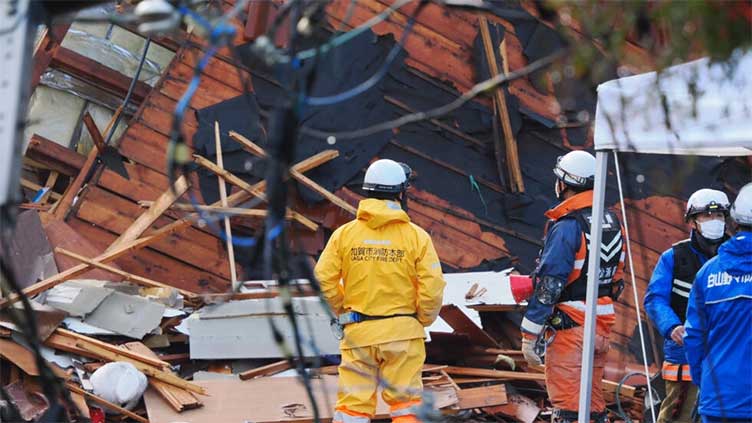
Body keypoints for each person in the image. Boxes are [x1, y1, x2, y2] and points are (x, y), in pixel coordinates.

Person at [315, 159, 446, 423]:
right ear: (400, 192)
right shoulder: (417, 237)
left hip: (358, 334)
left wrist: (343, 311)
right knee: (407, 407)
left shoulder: (345, 235)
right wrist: (421, 319)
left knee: (353, 408)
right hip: (403, 335)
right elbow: (432, 287)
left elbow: (323, 279)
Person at [520, 151, 626, 423]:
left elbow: (550, 284)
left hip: (571, 328)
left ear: (565, 184)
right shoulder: (613, 223)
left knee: (569, 407)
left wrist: (530, 334)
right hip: (602, 322)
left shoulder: (568, 226)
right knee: (591, 405)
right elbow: (617, 278)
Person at [644, 188, 730, 423]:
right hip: (684, 353)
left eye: (720, 216)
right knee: (677, 414)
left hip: (727, 352)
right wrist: (671, 326)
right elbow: (655, 299)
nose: (715, 222)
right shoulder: (674, 257)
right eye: (707, 216)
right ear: (692, 221)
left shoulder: (737, 256)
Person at [684, 182, 752, 423]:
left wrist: (708, 382)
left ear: (733, 221)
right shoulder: (679, 258)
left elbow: (693, 337)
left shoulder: (707, 273)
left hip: (718, 401)